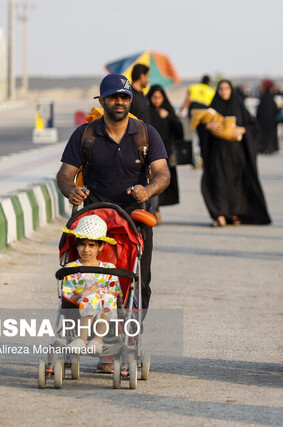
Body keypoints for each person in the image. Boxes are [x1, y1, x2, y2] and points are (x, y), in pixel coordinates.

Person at [57, 73, 170, 312]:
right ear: (101, 101)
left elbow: (162, 174)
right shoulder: (84, 135)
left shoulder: (146, 134)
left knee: (140, 279)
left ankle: (129, 329)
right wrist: (71, 191)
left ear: (130, 100)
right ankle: (80, 327)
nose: (119, 101)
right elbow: (65, 175)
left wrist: (147, 191)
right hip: (94, 214)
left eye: (124, 97)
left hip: (133, 216)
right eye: (112, 97)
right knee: (85, 273)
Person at [198, 79, 271, 226]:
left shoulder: (239, 107)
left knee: (236, 185)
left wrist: (242, 129)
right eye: (221, 89)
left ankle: (235, 214)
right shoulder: (212, 108)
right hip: (217, 156)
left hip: (237, 156)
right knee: (218, 183)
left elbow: (253, 127)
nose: (224, 92)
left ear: (231, 90)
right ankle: (220, 215)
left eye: (226, 89)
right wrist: (208, 126)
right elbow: (199, 125)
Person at [62, 215, 121, 358]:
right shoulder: (71, 269)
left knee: (108, 297)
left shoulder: (109, 268)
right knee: (91, 297)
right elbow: (68, 297)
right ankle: (82, 339)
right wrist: (85, 293)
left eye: (92, 245)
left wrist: (99, 294)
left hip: (104, 308)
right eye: (82, 244)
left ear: (101, 246)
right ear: (76, 245)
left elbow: (115, 294)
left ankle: (97, 339)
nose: (86, 249)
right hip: (78, 306)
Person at [147, 85, 184, 217]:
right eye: (154, 97)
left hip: (166, 152)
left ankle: (157, 209)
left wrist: (168, 116)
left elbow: (180, 130)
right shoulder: (147, 112)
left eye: (159, 97)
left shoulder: (168, 111)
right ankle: (155, 210)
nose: (156, 100)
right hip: (150, 153)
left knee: (163, 179)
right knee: (151, 181)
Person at [256, 79, 280, 154]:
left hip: (265, 123)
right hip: (270, 123)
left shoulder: (265, 97)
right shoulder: (269, 97)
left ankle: (266, 148)